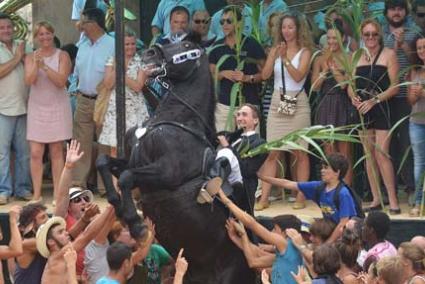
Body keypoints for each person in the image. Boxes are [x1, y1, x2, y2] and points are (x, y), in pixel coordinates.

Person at [257, 11, 313, 211]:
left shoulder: (305, 51)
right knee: (273, 152)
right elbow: (264, 75)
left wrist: (286, 59)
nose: (287, 31)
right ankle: (264, 197)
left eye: (291, 27)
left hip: (298, 102)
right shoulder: (276, 49)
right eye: (284, 27)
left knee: (301, 152)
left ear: (298, 29)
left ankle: (300, 194)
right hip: (277, 101)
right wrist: (273, 56)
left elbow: (299, 77)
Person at [349, 19, 401, 214]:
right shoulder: (357, 56)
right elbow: (351, 84)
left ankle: (393, 200)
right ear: (362, 36)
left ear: (379, 35)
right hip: (362, 108)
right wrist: (353, 97)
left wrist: (375, 100)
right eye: (367, 34)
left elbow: (395, 86)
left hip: (382, 107)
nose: (370, 37)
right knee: (368, 155)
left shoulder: (389, 55)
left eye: (374, 34)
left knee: (381, 153)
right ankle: (376, 198)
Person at [259, 153, 358, 243]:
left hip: (343, 234)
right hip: (327, 228)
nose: (322, 171)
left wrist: (328, 243)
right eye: (322, 167)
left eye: (326, 168)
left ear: (337, 172)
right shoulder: (319, 186)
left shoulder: (343, 193)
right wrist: (262, 177)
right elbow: (288, 183)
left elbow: (343, 224)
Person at [24, 21, 72, 204]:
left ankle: (58, 195)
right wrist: (36, 64)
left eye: (47, 33)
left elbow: (61, 81)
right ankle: (37, 194)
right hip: (37, 106)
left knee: (56, 151)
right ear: (36, 38)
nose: (45, 37)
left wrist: (44, 66)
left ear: (53, 35)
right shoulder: (30, 57)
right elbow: (29, 80)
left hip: (57, 105)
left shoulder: (63, 55)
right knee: (35, 152)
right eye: (41, 34)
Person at [218, 187, 303, 284]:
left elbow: (252, 224)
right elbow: (255, 258)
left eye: (275, 229)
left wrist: (226, 200)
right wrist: (235, 238)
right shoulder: (284, 254)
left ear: (285, 233)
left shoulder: (285, 244)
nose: (271, 231)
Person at [72, 8, 114, 194]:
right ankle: (77, 185)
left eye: (83, 22)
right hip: (83, 99)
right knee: (80, 143)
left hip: (104, 100)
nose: (79, 25)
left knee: (105, 144)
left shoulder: (112, 44)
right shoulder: (82, 44)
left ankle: (105, 186)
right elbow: (76, 73)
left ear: (94, 24)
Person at [312, 20, 356, 185]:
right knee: (328, 150)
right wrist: (324, 70)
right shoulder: (319, 59)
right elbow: (315, 87)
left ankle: (347, 188)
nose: (331, 42)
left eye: (335, 38)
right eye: (329, 38)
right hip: (325, 102)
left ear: (343, 38)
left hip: (342, 102)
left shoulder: (350, 57)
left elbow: (345, 84)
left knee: (344, 152)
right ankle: (331, 187)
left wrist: (333, 69)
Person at [209, 6, 265, 132]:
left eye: (229, 21)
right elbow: (210, 73)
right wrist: (222, 74)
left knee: (250, 146)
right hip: (224, 105)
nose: (225, 25)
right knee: (224, 146)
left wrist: (247, 78)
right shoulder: (217, 46)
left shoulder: (251, 44)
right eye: (222, 22)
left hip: (249, 103)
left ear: (240, 23)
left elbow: (265, 73)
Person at [383, 0, 418, 200]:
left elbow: (418, 61)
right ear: (386, 12)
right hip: (386, 97)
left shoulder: (414, 33)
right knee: (387, 145)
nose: (396, 13)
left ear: (405, 11)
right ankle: (390, 189)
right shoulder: (378, 33)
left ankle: (412, 187)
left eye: (400, 9)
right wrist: (393, 47)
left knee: (407, 143)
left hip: (407, 98)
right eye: (393, 9)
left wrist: (403, 44)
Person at [98, 27, 149, 156]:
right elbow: (108, 84)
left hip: (135, 109)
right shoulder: (112, 59)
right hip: (116, 108)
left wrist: (122, 75)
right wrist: (118, 66)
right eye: (127, 44)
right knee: (115, 148)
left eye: (132, 44)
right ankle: (116, 176)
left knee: (135, 147)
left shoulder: (141, 61)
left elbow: (138, 86)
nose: (130, 47)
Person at [209, 104, 267, 214]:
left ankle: (212, 180)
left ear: (255, 120)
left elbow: (247, 171)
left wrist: (227, 147)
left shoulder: (260, 143)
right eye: (238, 115)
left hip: (241, 184)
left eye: (244, 115)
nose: (240, 118)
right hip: (225, 181)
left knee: (226, 152)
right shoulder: (232, 137)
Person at [0, 12, 32, 205]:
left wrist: (24, 56)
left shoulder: (24, 45)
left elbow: (33, 68)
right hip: (2, 108)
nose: (6, 30)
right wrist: (17, 58)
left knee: (24, 153)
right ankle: (3, 191)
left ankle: (22, 188)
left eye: (8, 27)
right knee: (1, 154)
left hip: (25, 107)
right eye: (2, 28)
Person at [36, 206, 113, 284]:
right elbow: (86, 236)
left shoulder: (55, 259)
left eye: (64, 230)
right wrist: (110, 208)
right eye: (60, 232)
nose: (66, 233)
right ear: (51, 242)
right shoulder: (59, 256)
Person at [406, 34, 425, 217]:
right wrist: (415, 94)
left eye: (424, 47)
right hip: (416, 122)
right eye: (419, 48)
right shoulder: (414, 71)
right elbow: (410, 101)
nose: (422, 51)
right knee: (419, 162)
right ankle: (418, 202)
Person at [14, 203, 49, 284]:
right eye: (43, 217)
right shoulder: (26, 244)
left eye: (47, 215)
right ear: (30, 225)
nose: (48, 220)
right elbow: (59, 241)